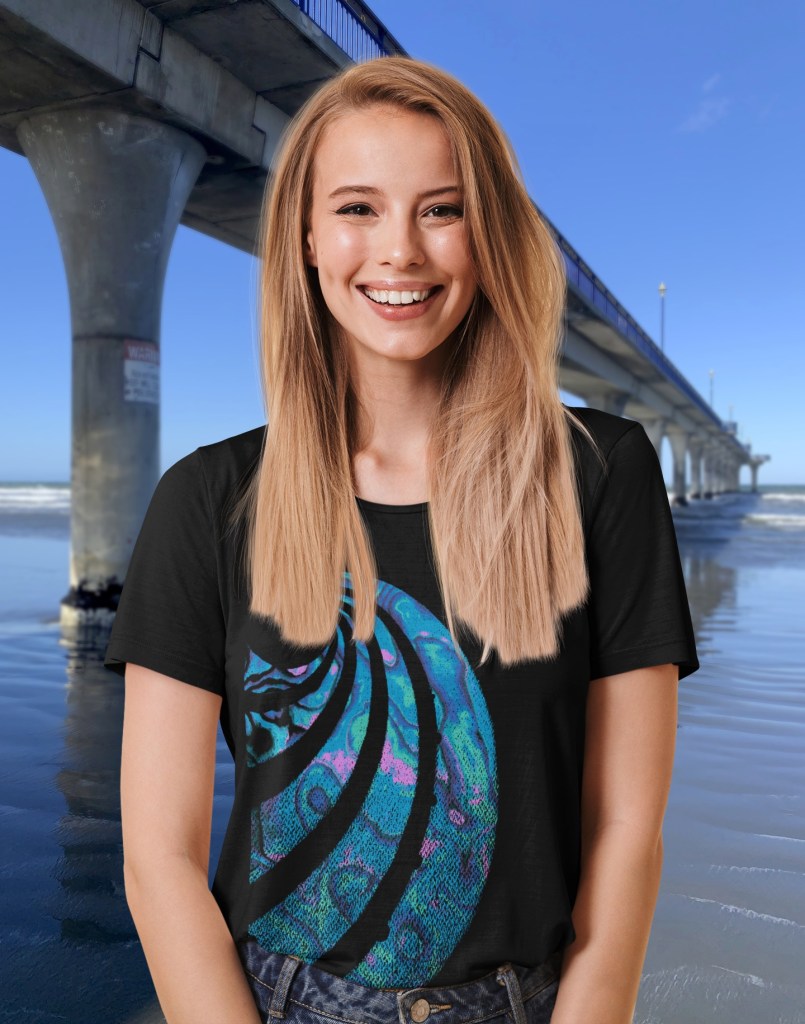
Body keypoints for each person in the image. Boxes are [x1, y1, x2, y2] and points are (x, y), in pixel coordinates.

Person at [104, 55, 699, 1024]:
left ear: (489, 233)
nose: (400, 252)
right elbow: (158, 857)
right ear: (304, 234)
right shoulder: (206, 500)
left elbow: (626, 829)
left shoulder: (601, 471)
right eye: (357, 208)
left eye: (441, 208)